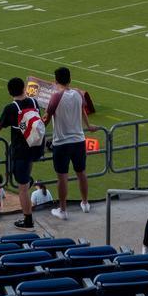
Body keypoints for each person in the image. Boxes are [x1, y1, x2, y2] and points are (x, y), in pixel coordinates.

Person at [46, 66, 91, 220]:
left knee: (62, 178)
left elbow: (46, 118)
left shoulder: (56, 97)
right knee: (81, 173)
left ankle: (63, 210)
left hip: (61, 142)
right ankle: (85, 203)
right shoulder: (79, 93)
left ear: (55, 80)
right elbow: (83, 109)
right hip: (79, 140)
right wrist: (89, 126)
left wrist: (36, 132)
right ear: (70, 79)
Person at [0, 76, 42, 228]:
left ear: (10, 92)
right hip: (35, 147)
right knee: (24, 178)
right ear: (24, 88)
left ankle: (28, 220)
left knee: (22, 188)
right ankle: (28, 181)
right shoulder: (34, 102)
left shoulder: (11, 108)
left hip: (20, 150)